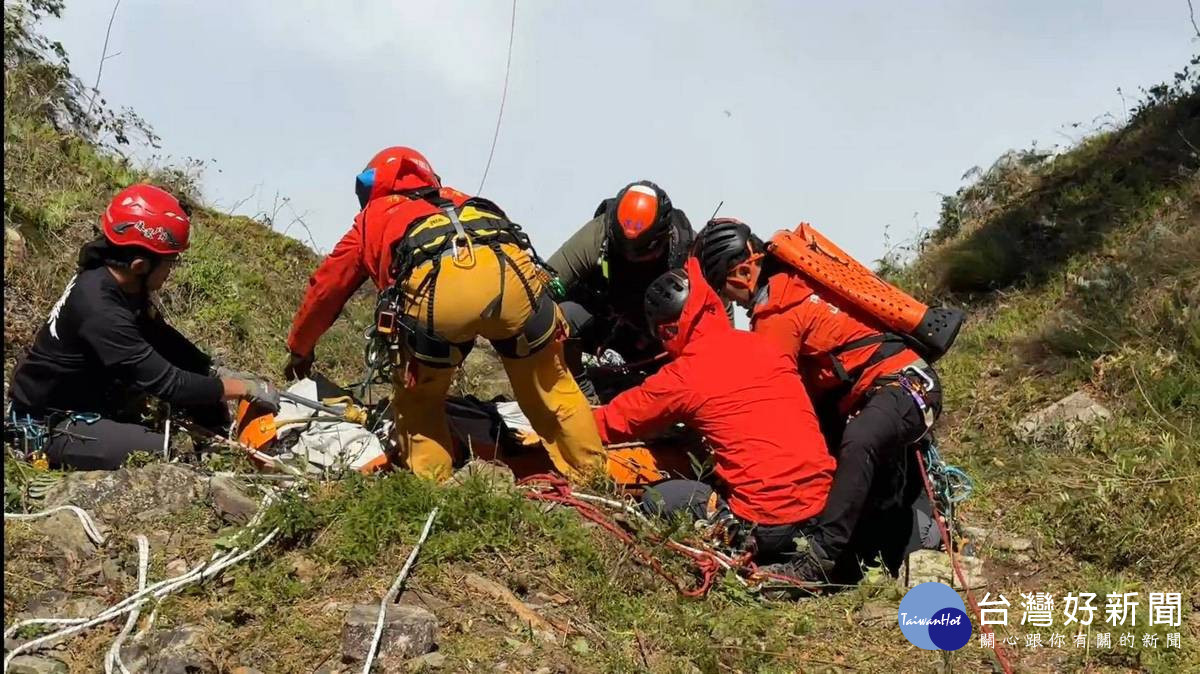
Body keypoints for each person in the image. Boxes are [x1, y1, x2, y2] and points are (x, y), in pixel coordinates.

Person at [283, 146, 605, 482]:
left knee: (420, 402)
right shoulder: (463, 199)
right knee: (553, 386)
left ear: (370, 186)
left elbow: (326, 289)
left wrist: (299, 348)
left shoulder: (372, 217)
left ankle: (438, 487)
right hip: (514, 284)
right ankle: (595, 478)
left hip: (437, 297)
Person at [692, 217, 945, 583]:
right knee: (856, 452)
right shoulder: (800, 283)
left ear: (739, 275)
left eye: (724, 291)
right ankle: (905, 537)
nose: (731, 302)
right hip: (904, 388)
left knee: (860, 440)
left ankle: (820, 558)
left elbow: (766, 398)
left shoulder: (774, 316)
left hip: (902, 387)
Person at [6, 184, 280, 471]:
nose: (171, 271)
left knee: (206, 393)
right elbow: (170, 384)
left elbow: (160, 336)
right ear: (140, 265)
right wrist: (245, 388)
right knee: (168, 452)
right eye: (170, 263)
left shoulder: (115, 278)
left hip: (87, 396)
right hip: (51, 420)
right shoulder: (100, 309)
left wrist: (211, 370)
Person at [592, 258, 835, 563]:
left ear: (668, 330)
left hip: (769, 524)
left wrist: (547, 420)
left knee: (660, 497)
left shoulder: (684, 374)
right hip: (824, 509)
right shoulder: (763, 344)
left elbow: (611, 423)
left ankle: (733, 536)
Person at [547, 180, 695, 401]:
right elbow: (544, 283)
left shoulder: (687, 251)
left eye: (641, 252)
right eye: (623, 249)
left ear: (662, 239)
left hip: (658, 339)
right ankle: (582, 391)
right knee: (559, 315)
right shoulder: (598, 235)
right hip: (603, 319)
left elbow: (717, 322)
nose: (631, 257)